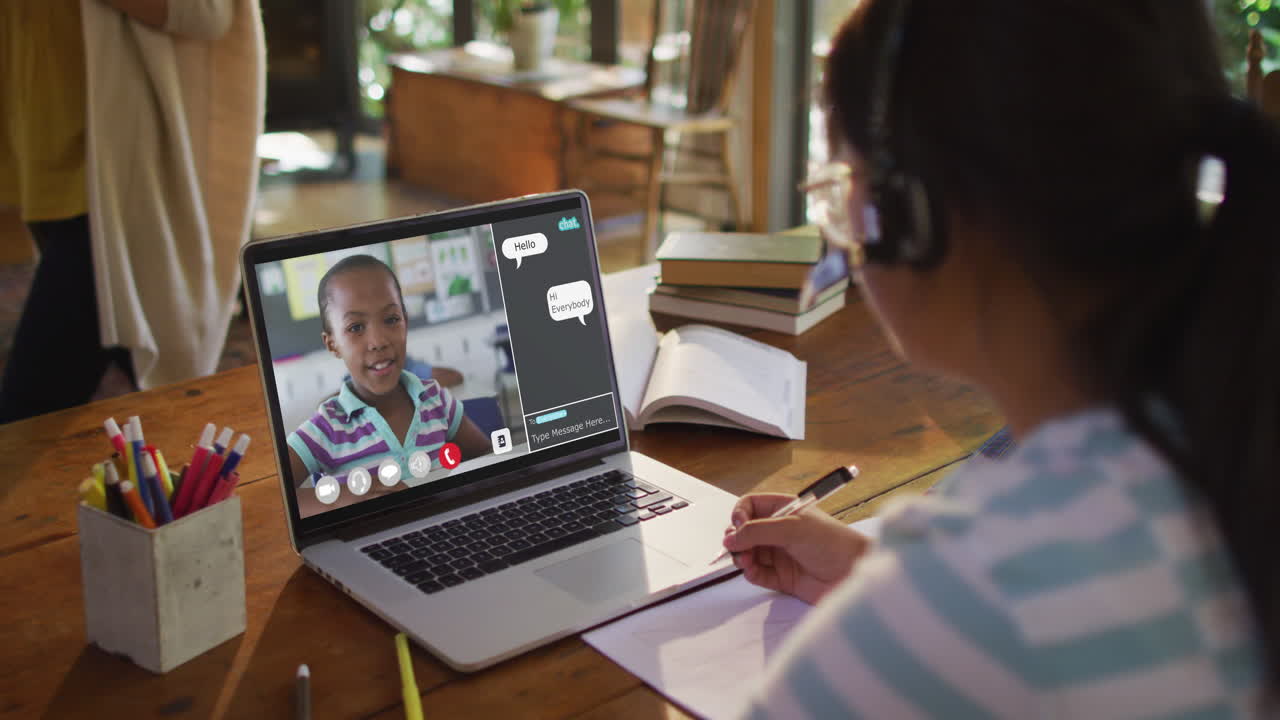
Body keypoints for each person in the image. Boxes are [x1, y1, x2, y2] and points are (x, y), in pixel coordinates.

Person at [721, 1, 1276, 716]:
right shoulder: (1226, 439)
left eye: (842, 187)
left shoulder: (977, 591)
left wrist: (918, 613)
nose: (846, 236)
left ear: (916, 211)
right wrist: (880, 579)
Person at [0, 0, 264, 422]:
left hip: (117, 184)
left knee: (26, 412)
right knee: (146, 384)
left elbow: (209, 11)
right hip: (46, 162)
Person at [288, 255, 491, 516]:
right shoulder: (327, 428)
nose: (378, 341)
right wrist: (337, 499)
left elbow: (485, 456)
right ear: (332, 344)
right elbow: (275, 498)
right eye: (356, 327)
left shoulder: (435, 401)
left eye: (391, 319)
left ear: (405, 321)